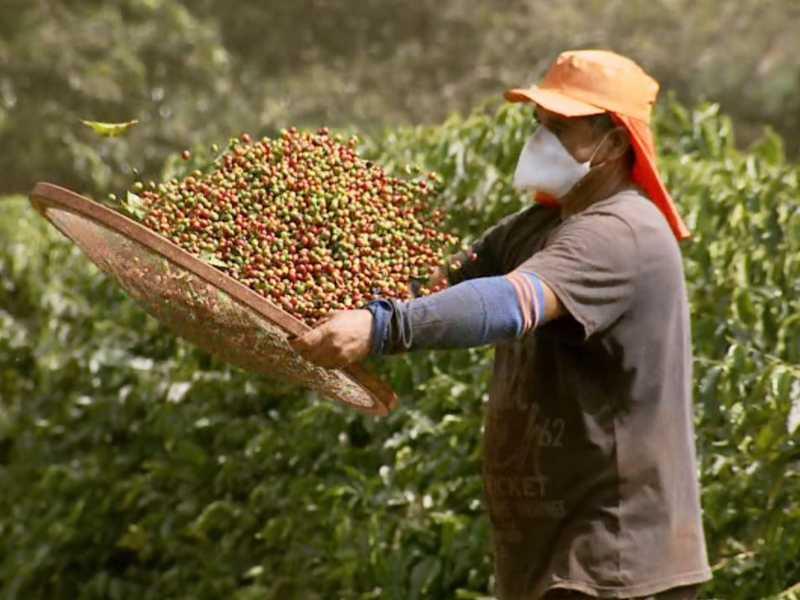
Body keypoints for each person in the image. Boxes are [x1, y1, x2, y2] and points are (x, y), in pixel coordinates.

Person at [288, 50, 712, 600]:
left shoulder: (621, 233)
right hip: (556, 562)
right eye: (540, 126)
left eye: (561, 128)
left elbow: (510, 303)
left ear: (614, 141)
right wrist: (317, 291)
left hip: (618, 563)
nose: (542, 141)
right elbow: (433, 290)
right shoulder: (539, 226)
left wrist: (380, 327)